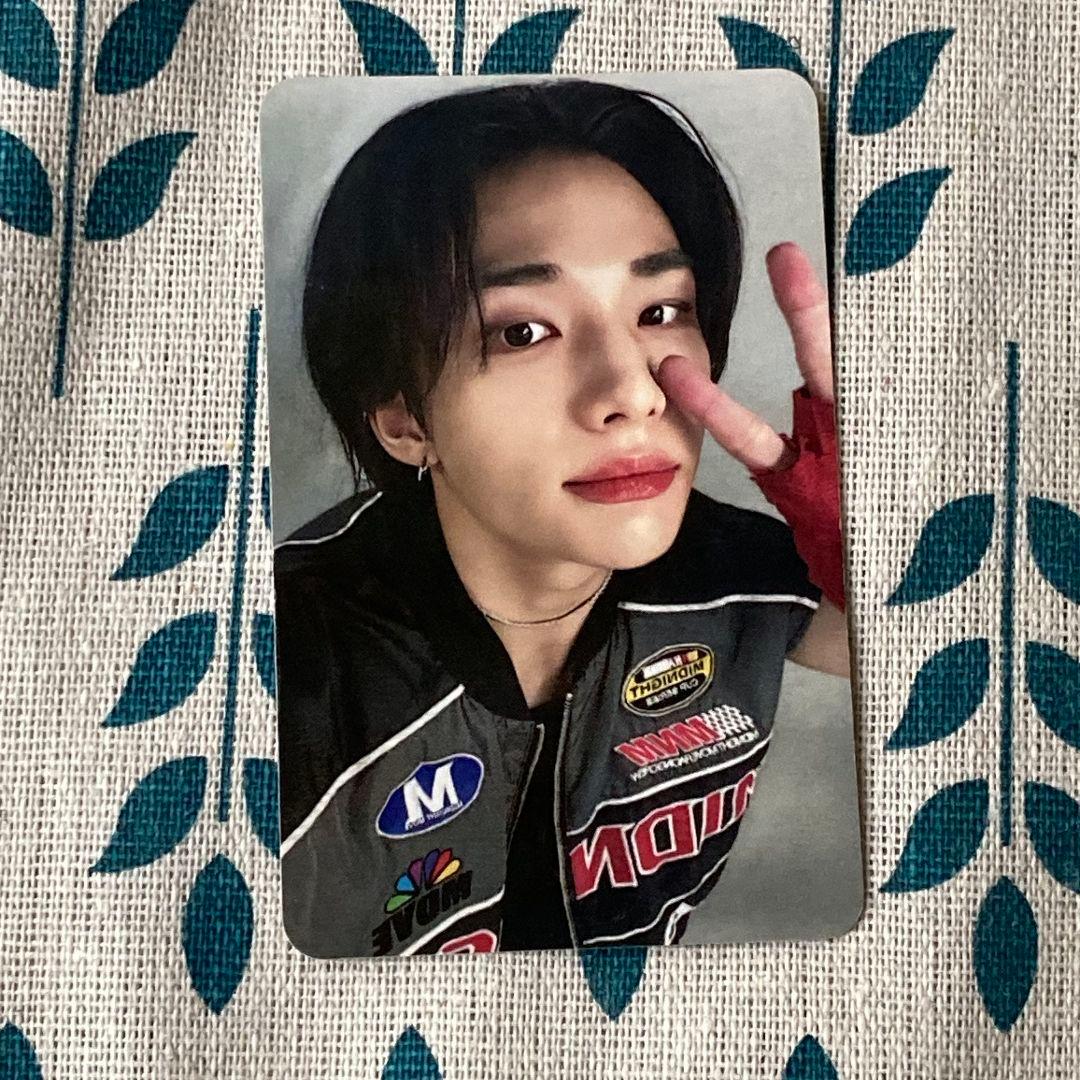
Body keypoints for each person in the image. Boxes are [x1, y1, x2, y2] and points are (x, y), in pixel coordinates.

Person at [272, 78, 849, 958]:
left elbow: (940, 669)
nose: (631, 392)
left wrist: (892, 528)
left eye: (661, 311)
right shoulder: (291, 664)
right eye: (523, 332)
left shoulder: (744, 573)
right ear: (402, 418)